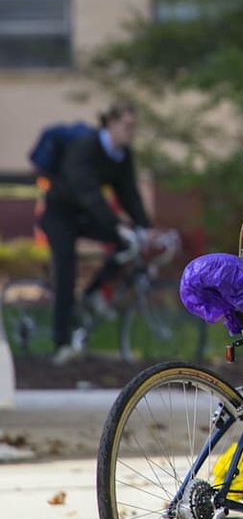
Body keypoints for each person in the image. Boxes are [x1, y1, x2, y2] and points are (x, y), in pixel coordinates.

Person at [41, 103, 149, 363]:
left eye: (134, 127)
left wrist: (145, 227)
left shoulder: (122, 155)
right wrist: (116, 225)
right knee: (66, 271)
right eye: (127, 126)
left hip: (88, 215)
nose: (131, 132)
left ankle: (92, 295)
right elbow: (88, 193)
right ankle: (61, 343)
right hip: (60, 214)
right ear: (111, 123)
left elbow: (129, 194)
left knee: (127, 244)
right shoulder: (86, 147)